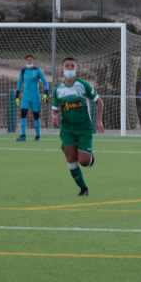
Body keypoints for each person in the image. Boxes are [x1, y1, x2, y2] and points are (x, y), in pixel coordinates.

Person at [51, 57, 104, 196]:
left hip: (84, 128)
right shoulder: (58, 90)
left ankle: (90, 158)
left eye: (72, 66)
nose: (69, 68)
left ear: (76, 69)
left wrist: (98, 120)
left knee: (84, 161)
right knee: (69, 154)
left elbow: (99, 102)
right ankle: (83, 189)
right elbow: (54, 110)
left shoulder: (83, 85)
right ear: (62, 69)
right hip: (67, 129)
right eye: (67, 66)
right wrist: (54, 117)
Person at [15, 54, 49, 142]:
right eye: (27, 60)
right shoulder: (23, 71)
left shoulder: (37, 71)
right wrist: (17, 95)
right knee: (23, 114)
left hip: (35, 97)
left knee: (36, 116)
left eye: (30, 60)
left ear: (33, 61)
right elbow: (19, 83)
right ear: (25, 62)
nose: (29, 61)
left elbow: (45, 82)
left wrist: (46, 93)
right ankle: (23, 135)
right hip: (26, 97)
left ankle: (37, 136)